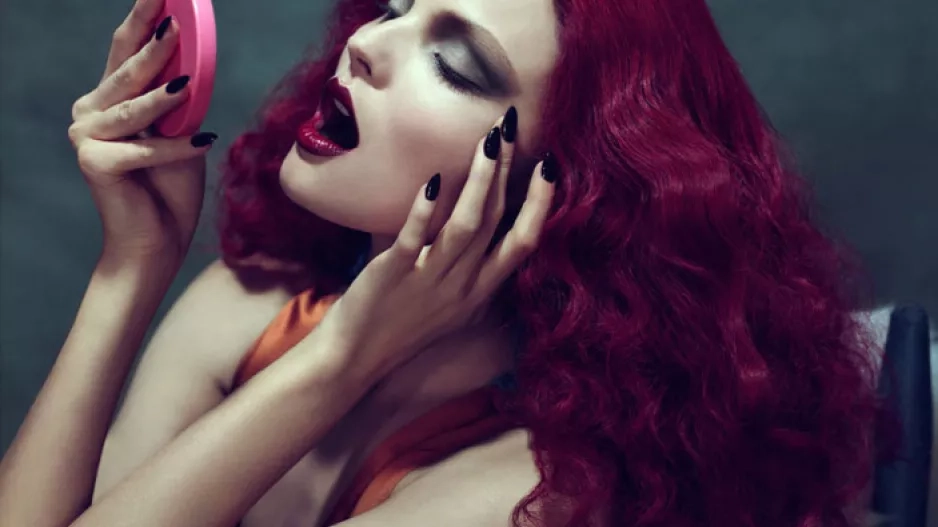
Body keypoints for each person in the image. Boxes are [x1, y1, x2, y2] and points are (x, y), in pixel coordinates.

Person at [0, 0, 886, 525]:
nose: (364, 43)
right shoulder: (249, 304)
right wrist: (130, 268)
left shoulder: (531, 492)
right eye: (397, 8)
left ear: (561, 192)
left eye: (455, 64)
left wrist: (345, 360)